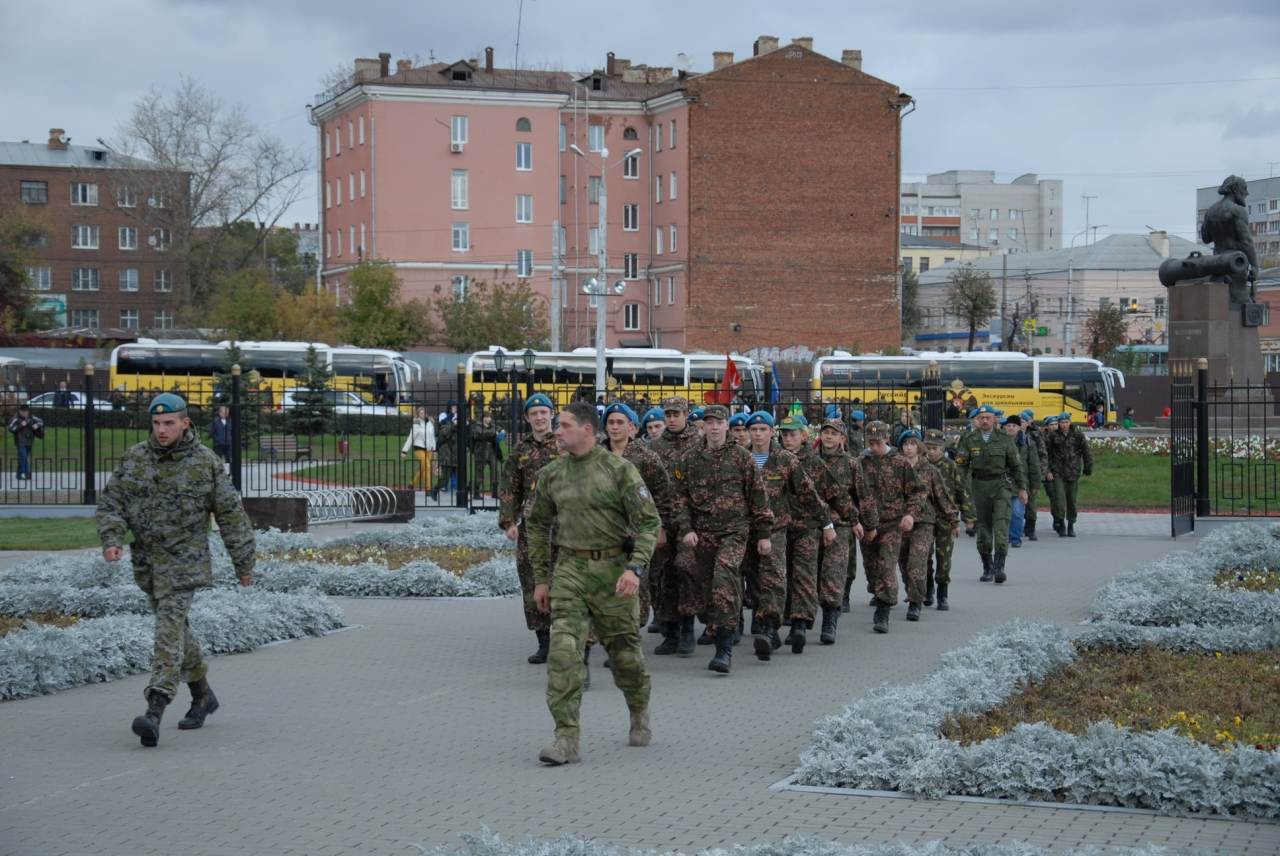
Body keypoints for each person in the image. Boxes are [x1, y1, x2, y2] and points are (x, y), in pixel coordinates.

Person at [95, 393, 255, 747]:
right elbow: (111, 503)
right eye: (156, 423)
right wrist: (112, 539)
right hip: (149, 563)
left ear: (185, 423)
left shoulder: (205, 463)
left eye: (169, 423)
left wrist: (243, 561)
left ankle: (155, 707)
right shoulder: (135, 458)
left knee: (167, 630)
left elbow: (231, 515)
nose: (162, 430)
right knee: (177, 631)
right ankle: (203, 695)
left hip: (186, 562)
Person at [526, 401, 660, 765]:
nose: (556, 431)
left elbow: (650, 522)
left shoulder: (619, 469)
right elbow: (536, 525)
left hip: (613, 574)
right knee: (563, 654)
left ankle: (638, 709)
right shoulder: (552, 474)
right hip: (570, 571)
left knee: (624, 657)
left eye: (564, 425)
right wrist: (541, 579)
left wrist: (635, 569)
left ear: (587, 430)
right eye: (557, 425)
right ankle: (566, 739)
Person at [669, 404, 773, 673]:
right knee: (708, 592)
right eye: (709, 422)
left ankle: (723, 651)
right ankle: (718, 629)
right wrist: (686, 529)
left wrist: (763, 533)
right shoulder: (689, 459)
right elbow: (679, 498)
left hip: (734, 532)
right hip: (702, 535)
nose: (714, 427)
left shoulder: (742, 457)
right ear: (702, 427)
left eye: (719, 422)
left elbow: (758, 497)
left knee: (724, 582)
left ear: (727, 425)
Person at [499, 393, 560, 664]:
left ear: (552, 414)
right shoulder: (519, 450)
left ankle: (569, 639)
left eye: (543, 412)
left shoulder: (563, 443)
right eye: (534, 413)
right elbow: (509, 487)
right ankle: (544, 642)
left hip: (565, 526)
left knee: (566, 581)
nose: (539, 417)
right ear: (527, 417)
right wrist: (510, 522)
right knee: (533, 581)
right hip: (532, 528)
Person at [602, 402, 672, 637]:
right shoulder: (596, 456)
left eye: (620, 422)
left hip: (637, 533)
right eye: (611, 422)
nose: (615, 427)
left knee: (636, 588)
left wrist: (661, 528)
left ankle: (630, 632)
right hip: (604, 532)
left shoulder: (645, 457)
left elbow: (662, 494)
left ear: (631, 426)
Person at [648, 396, 703, 655]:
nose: (671, 419)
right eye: (668, 415)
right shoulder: (654, 447)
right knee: (664, 575)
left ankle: (688, 630)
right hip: (663, 520)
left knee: (687, 571)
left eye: (676, 414)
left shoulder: (699, 444)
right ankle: (670, 632)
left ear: (686, 414)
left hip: (691, 521)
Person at [859, 421, 926, 633]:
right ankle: (876, 591)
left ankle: (883, 611)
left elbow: (917, 491)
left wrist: (910, 514)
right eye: (870, 443)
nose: (874, 447)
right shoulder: (861, 463)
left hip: (891, 524)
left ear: (886, 439)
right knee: (871, 568)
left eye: (878, 443)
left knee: (886, 566)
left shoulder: (899, 463)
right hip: (868, 525)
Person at [811, 418, 874, 643]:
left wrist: (869, 524)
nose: (828, 437)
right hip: (813, 525)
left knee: (834, 573)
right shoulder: (810, 461)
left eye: (833, 433)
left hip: (841, 525)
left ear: (842, 438)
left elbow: (863, 495)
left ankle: (829, 619)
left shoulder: (851, 464)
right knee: (811, 573)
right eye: (825, 432)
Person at [955, 404, 1026, 585]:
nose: (985, 421)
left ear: (994, 419)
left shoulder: (1004, 438)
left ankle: (1000, 566)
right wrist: (959, 488)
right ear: (977, 420)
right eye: (982, 418)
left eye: (988, 417)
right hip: (979, 487)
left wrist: (1022, 488)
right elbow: (961, 466)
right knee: (983, 528)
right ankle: (987, 566)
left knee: (1001, 524)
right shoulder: (969, 439)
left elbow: (1016, 465)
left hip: (1001, 485)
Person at [896, 429, 957, 622]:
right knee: (904, 563)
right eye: (906, 444)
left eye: (912, 444)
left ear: (919, 447)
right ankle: (912, 591)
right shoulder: (895, 468)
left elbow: (942, 497)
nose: (909, 448)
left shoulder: (930, 470)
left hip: (924, 522)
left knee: (918, 562)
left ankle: (915, 602)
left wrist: (953, 520)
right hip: (900, 523)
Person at [922, 428, 970, 610]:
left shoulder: (950, 466)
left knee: (944, 557)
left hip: (945, 518)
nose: (931, 451)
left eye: (934, 448)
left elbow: (961, 490)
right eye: (928, 448)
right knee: (924, 555)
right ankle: (928, 590)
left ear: (941, 447)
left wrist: (968, 517)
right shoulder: (920, 465)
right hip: (925, 518)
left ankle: (943, 594)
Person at [1045, 411, 1094, 537]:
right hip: (1057, 472)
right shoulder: (1052, 436)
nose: (1064, 424)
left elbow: (1086, 452)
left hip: (1073, 472)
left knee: (1071, 500)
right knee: (1059, 499)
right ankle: (1061, 522)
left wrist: (1088, 469)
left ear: (1070, 422)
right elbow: (1045, 454)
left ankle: (1071, 524)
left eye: (1066, 422)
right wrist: (1047, 471)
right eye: (1062, 422)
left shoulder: (1077, 435)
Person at [1002, 416, 1040, 549]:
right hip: (1002, 483)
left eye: (1014, 426)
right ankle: (1003, 537)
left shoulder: (1027, 443)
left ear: (1019, 428)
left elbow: (1034, 464)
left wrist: (1035, 484)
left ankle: (1015, 537)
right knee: (1002, 513)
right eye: (1009, 425)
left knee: (1017, 513)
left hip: (1020, 484)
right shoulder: (999, 442)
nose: (1011, 428)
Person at [1019, 409, 1049, 541]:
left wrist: (1040, 475)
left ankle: (1030, 529)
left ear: (1028, 423)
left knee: (1030, 505)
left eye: (1022, 422)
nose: (1020, 424)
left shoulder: (1034, 438)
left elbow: (1042, 456)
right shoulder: (1009, 437)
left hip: (1030, 476)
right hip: (1016, 477)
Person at [401, 407, 436, 495]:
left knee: (424, 469)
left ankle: (412, 484)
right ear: (418, 414)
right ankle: (428, 488)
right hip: (419, 448)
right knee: (427, 466)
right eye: (421, 413)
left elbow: (432, 437)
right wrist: (404, 451)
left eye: (424, 413)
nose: (423, 415)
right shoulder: (416, 425)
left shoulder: (430, 423)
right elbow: (410, 438)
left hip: (429, 448)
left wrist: (434, 449)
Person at [8, 403, 44, 481]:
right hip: (20, 440)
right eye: (23, 411)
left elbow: (40, 421)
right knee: (23, 456)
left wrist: (37, 425)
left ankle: (19, 474)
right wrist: (21, 425)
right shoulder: (15, 418)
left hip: (29, 440)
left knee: (23, 458)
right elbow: (11, 428)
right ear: (20, 411)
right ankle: (27, 472)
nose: (25, 413)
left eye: (26, 411)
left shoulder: (30, 416)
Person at [470, 410, 502, 496]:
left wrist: (502, 431)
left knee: (496, 470)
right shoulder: (477, 425)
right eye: (486, 417)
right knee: (479, 470)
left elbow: (499, 428)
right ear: (482, 418)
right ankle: (476, 491)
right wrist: (493, 432)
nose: (488, 419)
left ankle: (495, 491)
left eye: (490, 417)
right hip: (481, 451)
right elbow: (480, 433)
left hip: (492, 450)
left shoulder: (492, 425)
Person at [437, 399, 460, 492]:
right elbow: (443, 429)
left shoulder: (459, 416)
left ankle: (459, 490)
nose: (455, 408)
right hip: (447, 450)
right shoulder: (444, 416)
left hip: (456, 449)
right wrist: (452, 419)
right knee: (446, 474)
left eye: (456, 406)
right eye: (453, 406)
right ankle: (437, 489)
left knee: (459, 474)